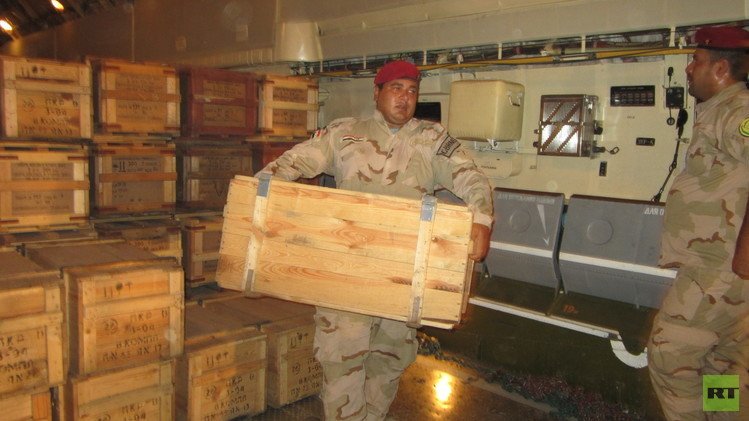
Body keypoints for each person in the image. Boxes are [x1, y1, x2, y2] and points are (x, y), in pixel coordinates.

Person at [258, 60, 494, 421]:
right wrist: (258, 192)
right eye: (396, 88)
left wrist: (481, 218)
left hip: (403, 278)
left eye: (412, 91)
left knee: (387, 364)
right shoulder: (345, 133)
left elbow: (471, 177)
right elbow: (295, 162)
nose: (405, 97)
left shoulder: (432, 140)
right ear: (377, 92)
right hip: (346, 274)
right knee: (342, 362)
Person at [648, 25, 749, 420]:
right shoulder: (720, 111)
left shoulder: (736, 111)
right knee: (722, 365)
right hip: (724, 274)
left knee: (669, 354)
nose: (688, 68)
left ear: (720, 68)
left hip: (718, 270)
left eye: (696, 60)